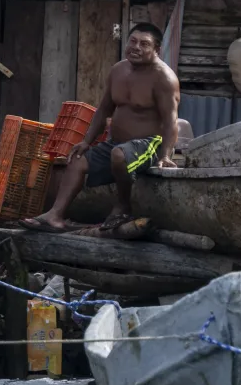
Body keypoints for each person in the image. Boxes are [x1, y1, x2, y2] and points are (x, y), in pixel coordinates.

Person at [22, 22, 180, 232]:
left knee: (118, 154)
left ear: (157, 50)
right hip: (117, 144)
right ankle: (55, 215)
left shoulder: (164, 78)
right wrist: (86, 141)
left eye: (144, 44)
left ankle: (123, 206)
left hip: (150, 144)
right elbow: (104, 109)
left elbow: (171, 121)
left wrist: (166, 156)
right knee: (77, 158)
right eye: (133, 41)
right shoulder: (118, 70)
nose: (136, 47)